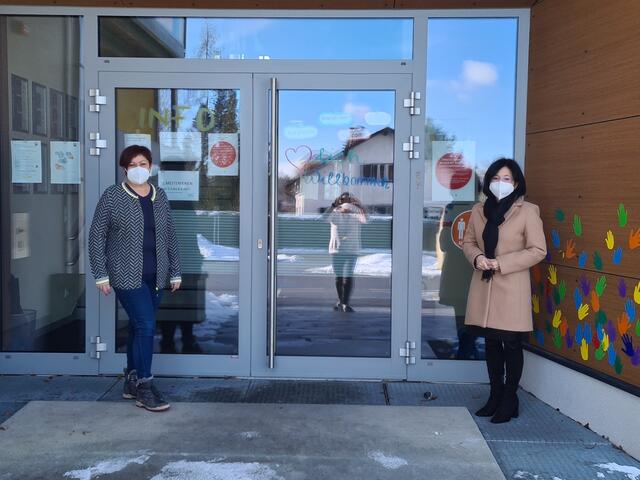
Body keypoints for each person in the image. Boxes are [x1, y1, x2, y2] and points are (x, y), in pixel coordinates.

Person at [89, 145, 181, 412]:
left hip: (156, 274)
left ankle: (130, 380)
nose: (139, 169)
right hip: (125, 275)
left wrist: (175, 270)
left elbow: (170, 236)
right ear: (124, 168)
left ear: (150, 166)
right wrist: (101, 274)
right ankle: (145, 386)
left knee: (138, 328)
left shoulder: (159, 196)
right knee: (146, 326)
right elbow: (97, 237)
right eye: (133, 164)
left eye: (143, 163)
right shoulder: (112, 196)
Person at [462, 158, 546, 423]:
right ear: (488, 182)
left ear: (517, 182)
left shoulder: (528, 211)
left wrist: (502, 263)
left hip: (511, 286)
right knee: (490, 343)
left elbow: (538, 250)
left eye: (506, 179)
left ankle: (510, 398)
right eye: (496, 178)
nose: (501, 183)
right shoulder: (478, 210)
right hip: (484, 285)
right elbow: (469, 241)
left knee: (511, 343)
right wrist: (477, 258)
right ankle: (495, 395)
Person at [327, 192, 367, 313]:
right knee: (340, 277)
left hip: (350, 249)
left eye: (347, 199)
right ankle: (342, 301)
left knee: (346, 276)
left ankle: (344, 302)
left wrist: (359, 206)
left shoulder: (355, 212)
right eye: (343, 199)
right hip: (338, 249)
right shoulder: (335, 212)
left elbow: (364, 219)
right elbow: (324, 218)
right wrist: (334, 205)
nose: (345, 201)